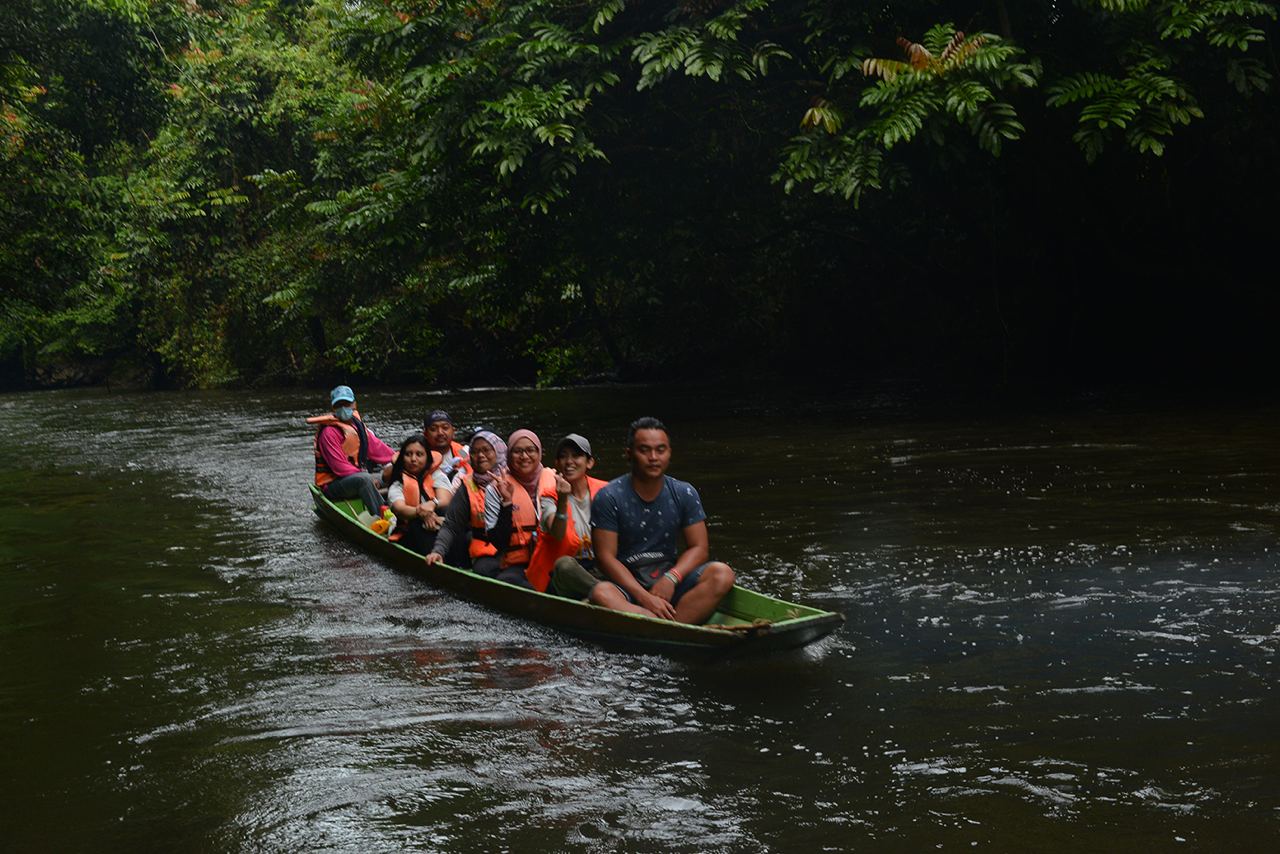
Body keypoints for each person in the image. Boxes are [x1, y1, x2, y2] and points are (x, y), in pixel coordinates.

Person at [588, 417, 735, 624]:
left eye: (660, 450)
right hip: (627, 586)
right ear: (629, 454)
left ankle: (676, 626)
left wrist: (671, 578)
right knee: (602, 593)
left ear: (669, 453)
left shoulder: (684, 492)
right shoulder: (609, 496)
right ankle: (665, 625)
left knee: (722, 574)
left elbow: (699, 548)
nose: (653, 457)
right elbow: (605, 558)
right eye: (644, 450)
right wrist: (645, 597)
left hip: (668, 580)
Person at [525, 433, 609, 597]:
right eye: (563, 457)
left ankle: (601, 594)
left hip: (597, 569)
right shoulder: (549, 497)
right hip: (560, 577)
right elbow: (557, 533)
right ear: (557, 463)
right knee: (564, 565)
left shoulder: (606, 492)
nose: (569, 462)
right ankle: (608, 595)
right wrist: (563, 499)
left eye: (576, 456)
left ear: (589, 462)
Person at [479, 429, 556, 587]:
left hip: (553, 558)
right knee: (507, 583)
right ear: (508, 455)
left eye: (530, 450)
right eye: (517, 451)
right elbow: (499, 542)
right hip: (518, 565)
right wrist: (507, 503)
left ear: (539, 452)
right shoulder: (495, 489)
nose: (524, 457)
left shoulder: (556, 482)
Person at [308, 385, 395, 516]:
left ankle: (401, 509)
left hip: (357, 476)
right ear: (333, 407)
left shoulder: (357, 426)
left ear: (354, 404)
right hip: (333, 484)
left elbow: (378, 449)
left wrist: (399, 460)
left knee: (397, 472)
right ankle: (384, 517)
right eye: (339, 404)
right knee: (364, 479)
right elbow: (340, 467)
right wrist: (368, 478)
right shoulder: (329, 433)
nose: (343, 408)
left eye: (347, 403)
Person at [425, 430, 506, 569]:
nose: (480, 456)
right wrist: (438, 551)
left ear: (498, 452)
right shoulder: (466, 484)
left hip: (518, 549)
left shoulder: (515, 478)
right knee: (486, 570)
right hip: (486, 550)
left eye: (486, 450)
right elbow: (451, 525)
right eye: (475, 452)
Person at [386, 433, 454, 554]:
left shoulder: (437, 475)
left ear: (427, 457)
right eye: (408, 454)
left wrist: (432, 505)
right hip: (409, 530)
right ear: (402, 458)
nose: (413, 459)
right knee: (416, 524)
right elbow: (399, 508)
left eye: (419, 454)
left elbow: (445, 499)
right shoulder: (398, 484)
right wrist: (421, 512)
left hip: (439, 521)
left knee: (447, 512)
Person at [424, 410, 471, 481]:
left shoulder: (462, 451)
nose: (440, 433)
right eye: (433, 429)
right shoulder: (418, 456)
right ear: (425, 434)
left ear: (453, 432)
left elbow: (470, 460)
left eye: (445, 428)